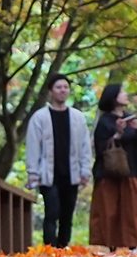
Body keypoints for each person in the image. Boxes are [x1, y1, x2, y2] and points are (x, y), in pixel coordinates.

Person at [24, 74, 90, 247]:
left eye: (66, 87)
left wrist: (85, 171)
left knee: (67, 215)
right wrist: (33, 173)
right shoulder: (39, 118)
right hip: (48, 174)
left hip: (71, 173)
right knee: (52, 212)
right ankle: (50, 249)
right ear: (51, 91)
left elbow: (85, 146)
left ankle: (62, 248)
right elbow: (33, 146)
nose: (63, 90)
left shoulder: (78, 117)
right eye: (59, 87)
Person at [89, 82, 137, 250]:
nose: (125, 94)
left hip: (131, 169)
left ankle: (132, 245)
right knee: (110, 210)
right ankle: (112, 246)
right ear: (113, 97)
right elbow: (100, 147)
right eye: (122, 92)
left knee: (133, 210)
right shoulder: (105, 121)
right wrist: (118, 134)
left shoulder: (129, 117)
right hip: (110, 173)